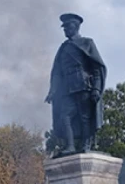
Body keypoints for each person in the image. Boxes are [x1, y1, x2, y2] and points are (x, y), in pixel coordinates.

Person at [45, 13, 107, 156]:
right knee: (64, 116)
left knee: (85, 117)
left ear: (75, 27)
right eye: (64, 27)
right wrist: (52, 91)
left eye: (67, 27)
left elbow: (97, 68)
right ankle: (71, 146)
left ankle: (86, 145)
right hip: (68, 88)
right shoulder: (63, 48)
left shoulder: (87, 43)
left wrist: (96, 88)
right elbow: (57, 72)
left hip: (84, 85)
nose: (65, 30)